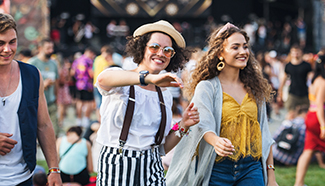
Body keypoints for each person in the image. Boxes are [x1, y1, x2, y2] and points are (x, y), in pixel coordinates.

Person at [166, 23, 278, 186]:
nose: (243, 52)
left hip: (251, 168)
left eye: (245, 47)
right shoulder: (207, 87)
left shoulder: (255, 88)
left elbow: (265, 135)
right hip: (216, 169)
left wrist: (271, 176)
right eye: (235, 47)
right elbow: (202, 124)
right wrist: (215, 141)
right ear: (220, 53)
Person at [95, 20, 199, 185]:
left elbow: (162, 148)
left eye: (168, 50)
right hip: (118, 165)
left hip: (152, 166)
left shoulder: (164, 94)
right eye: (154, 47)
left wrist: (184, 124)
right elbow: (103, 79)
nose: (161, 53)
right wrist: (149, 77)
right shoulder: (121, 78)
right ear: (142, 47)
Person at [0, 13, 62, 185]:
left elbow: (43, 124)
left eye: (12, 42)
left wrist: (54, 169)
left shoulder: (31, 74)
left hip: (23, 176)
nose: (7, 49)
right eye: (1, 43)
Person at [294, 54, 325, 186]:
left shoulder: (313, 80)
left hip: (310, 116)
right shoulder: (323, 82)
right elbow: (319, 105)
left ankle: (299, 183)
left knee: (308, 151)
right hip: (318, 119)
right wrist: (323, 125)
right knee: (308, 150)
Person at [29, 38, 60, 136]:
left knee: (54, 131)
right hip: (36, 103)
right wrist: (42, 85)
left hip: (50, 102)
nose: (51, 50)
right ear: (40, 48)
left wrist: (56, 98)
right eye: (48, 48)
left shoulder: (54, 63)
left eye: (52, 48)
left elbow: (57, 82)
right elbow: (27, 85)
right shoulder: (32, 63)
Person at [277, 44, 312, 120]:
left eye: (297, 52)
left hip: (304, 93)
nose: (295, 54)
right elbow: (284, 79)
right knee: (290, 114)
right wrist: (280, 93)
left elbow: (310, 79)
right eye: (293, 52)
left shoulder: (307, 65)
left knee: (305, 115)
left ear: (301, 52)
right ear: (291, 53)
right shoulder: (288, 66)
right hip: (292, 93)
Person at [71, 47, 96, 128]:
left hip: (79, 84)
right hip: (87, 84)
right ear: (90, 52)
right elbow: (91, 73)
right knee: (88, 102)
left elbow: (72, 72)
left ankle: (78, 120)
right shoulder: (89, 61)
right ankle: (86, 120)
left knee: (79, 102)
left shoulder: (77, 60)